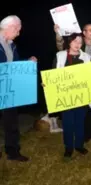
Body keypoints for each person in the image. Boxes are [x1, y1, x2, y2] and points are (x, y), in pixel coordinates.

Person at [54, 24, 91, 142]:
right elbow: (61, 45)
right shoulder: (76, 43)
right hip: (72, 86)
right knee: (74, 116)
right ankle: (79, 139)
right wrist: (57, 33)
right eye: (90, 30)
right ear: (84, 32)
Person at [0, 15, 37, 161]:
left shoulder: (12, 45)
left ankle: (13, 151)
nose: (19, 33)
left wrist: (27, 63)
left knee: (11, 120)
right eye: (17, 30)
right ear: (10, 27)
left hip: (8, 89)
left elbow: (14, 65)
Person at [50, 33, 91, 161]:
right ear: (69, 42)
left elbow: (90, 75)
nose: (78, 44)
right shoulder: (60, 56)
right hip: (66, 97)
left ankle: (79, 145)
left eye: (80, 42)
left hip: (81, 96)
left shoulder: (86, 57)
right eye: (75, 41)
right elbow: (53, 74)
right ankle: (68, 147)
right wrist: (47, 83)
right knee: (68, 123)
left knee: (80, 122)